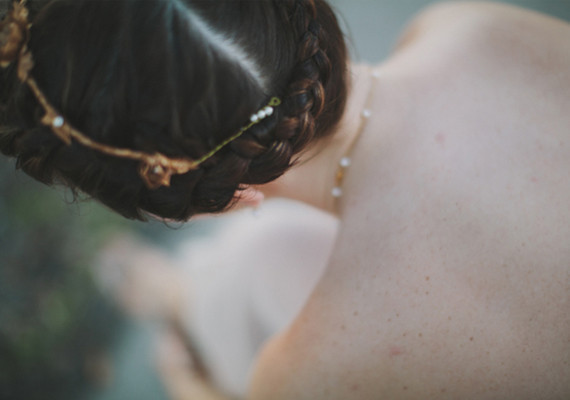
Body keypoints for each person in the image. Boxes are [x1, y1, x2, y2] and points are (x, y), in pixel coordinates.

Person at [1, 0, 569, 399]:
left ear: (229, 197)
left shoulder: (312, 368)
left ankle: (175, 295)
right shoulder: (470, 26)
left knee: (250, 267)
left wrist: (185, 381)